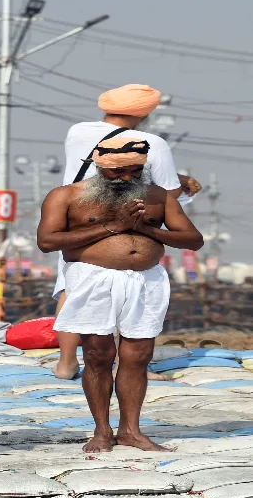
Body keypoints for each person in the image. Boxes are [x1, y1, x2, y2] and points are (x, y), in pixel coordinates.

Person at [38, 135, 203, 453]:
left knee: (138, 357)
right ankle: (102, 431)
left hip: (146, 280)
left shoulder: (158, 196)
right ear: (100, 166)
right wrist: (114, 227)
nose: (127, 178)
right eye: (118, 172)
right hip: (93, 278)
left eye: (135, 170)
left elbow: (193, 240)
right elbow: (47, 241)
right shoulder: (66, 195)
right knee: (98, 356)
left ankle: (131, 430)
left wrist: (145, 229)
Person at [53, 84, 203, 379]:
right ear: (145, 112)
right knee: (130, 292)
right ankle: (125, 364)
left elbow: (107, 164)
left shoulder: (78, 131)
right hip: (131, 219)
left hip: (79, 218)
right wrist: (186, 186)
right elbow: (165, 191)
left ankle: (66, 362)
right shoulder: (151, 142)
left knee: (73, 290)